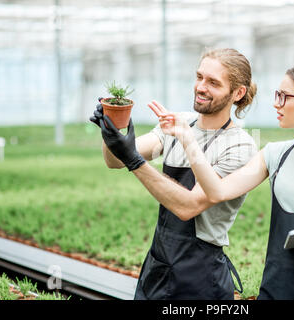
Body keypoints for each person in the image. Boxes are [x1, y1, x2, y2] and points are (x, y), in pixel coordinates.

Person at [151, 65, 294, 300]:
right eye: (278, 95)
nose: (277, 103)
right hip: (274, 290)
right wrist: (187, 139)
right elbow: (217, 192)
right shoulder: (274, 155)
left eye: (285, 97)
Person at [90, 48, 258, 300]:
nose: (201, 87)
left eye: (213, 82)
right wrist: (112, 131)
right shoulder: (180, 122)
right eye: (199, 77)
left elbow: (188, 206)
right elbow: (115, 160)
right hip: (158, 265)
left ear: (238, 93)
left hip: (200, 275)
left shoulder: (239, 145)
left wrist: (135, 161)